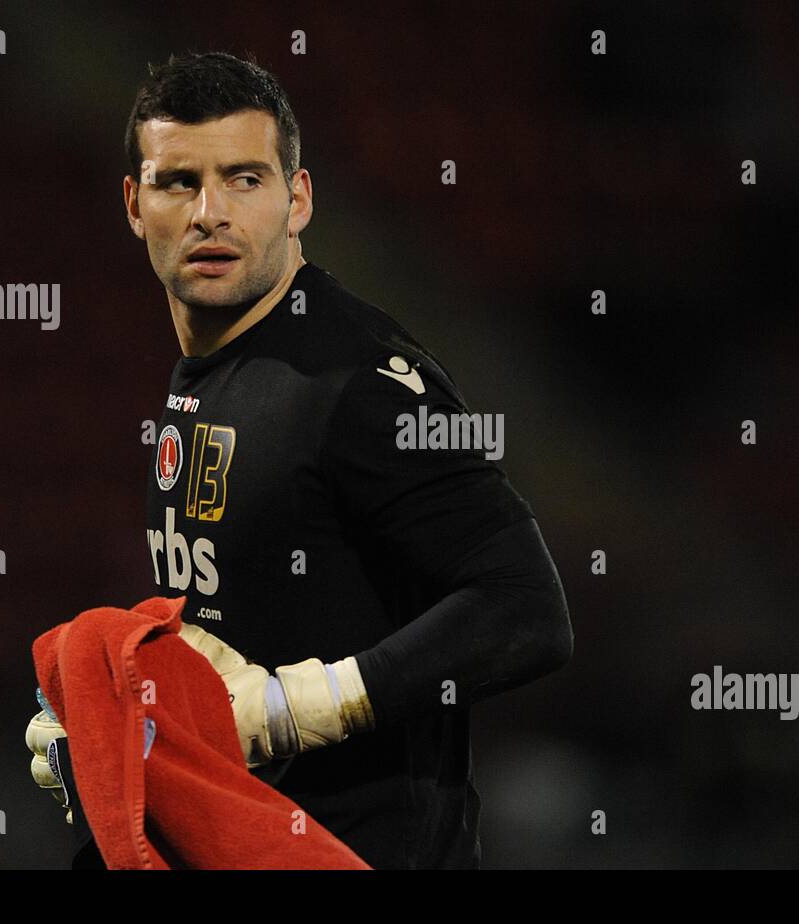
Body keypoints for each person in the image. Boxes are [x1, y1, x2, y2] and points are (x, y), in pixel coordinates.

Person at [33, 50, 573, 870]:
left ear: (299, 200)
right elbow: (240, 636)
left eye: (245, 178)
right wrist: (111, 717)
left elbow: (525, 608)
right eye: (180, 182)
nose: (211, 211)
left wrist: (296, 708)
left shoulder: (360, 380)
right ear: (134, 205)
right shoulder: (217, 370)